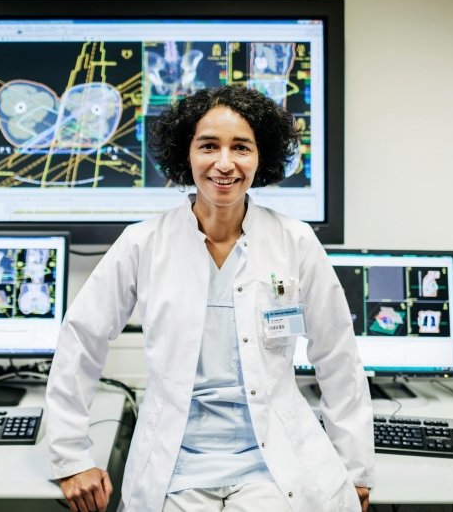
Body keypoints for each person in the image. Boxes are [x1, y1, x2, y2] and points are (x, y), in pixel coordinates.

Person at [45, 85, 374, 512]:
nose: (224, 163)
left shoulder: (295, 241)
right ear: (187, 155)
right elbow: (81, 339)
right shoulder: (143, 243)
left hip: (272, 463)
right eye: (208, 146)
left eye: (241, 147)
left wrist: (355, 469)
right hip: (176, 462)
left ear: (261, 157)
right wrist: (71, 457)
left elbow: (338, 356)